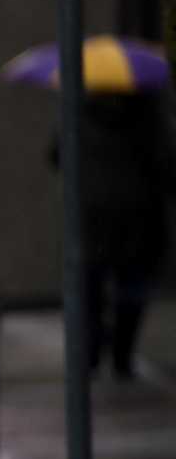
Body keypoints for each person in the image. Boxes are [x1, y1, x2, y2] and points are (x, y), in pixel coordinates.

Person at [66, 91, 175, 379]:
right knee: (131, 285)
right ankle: (122, 355)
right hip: (137, 212)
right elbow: (165, 161)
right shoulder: (149, 113)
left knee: (91, 286)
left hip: (93, 212)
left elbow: (57, 153)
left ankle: (92, 352)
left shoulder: (79, 109)